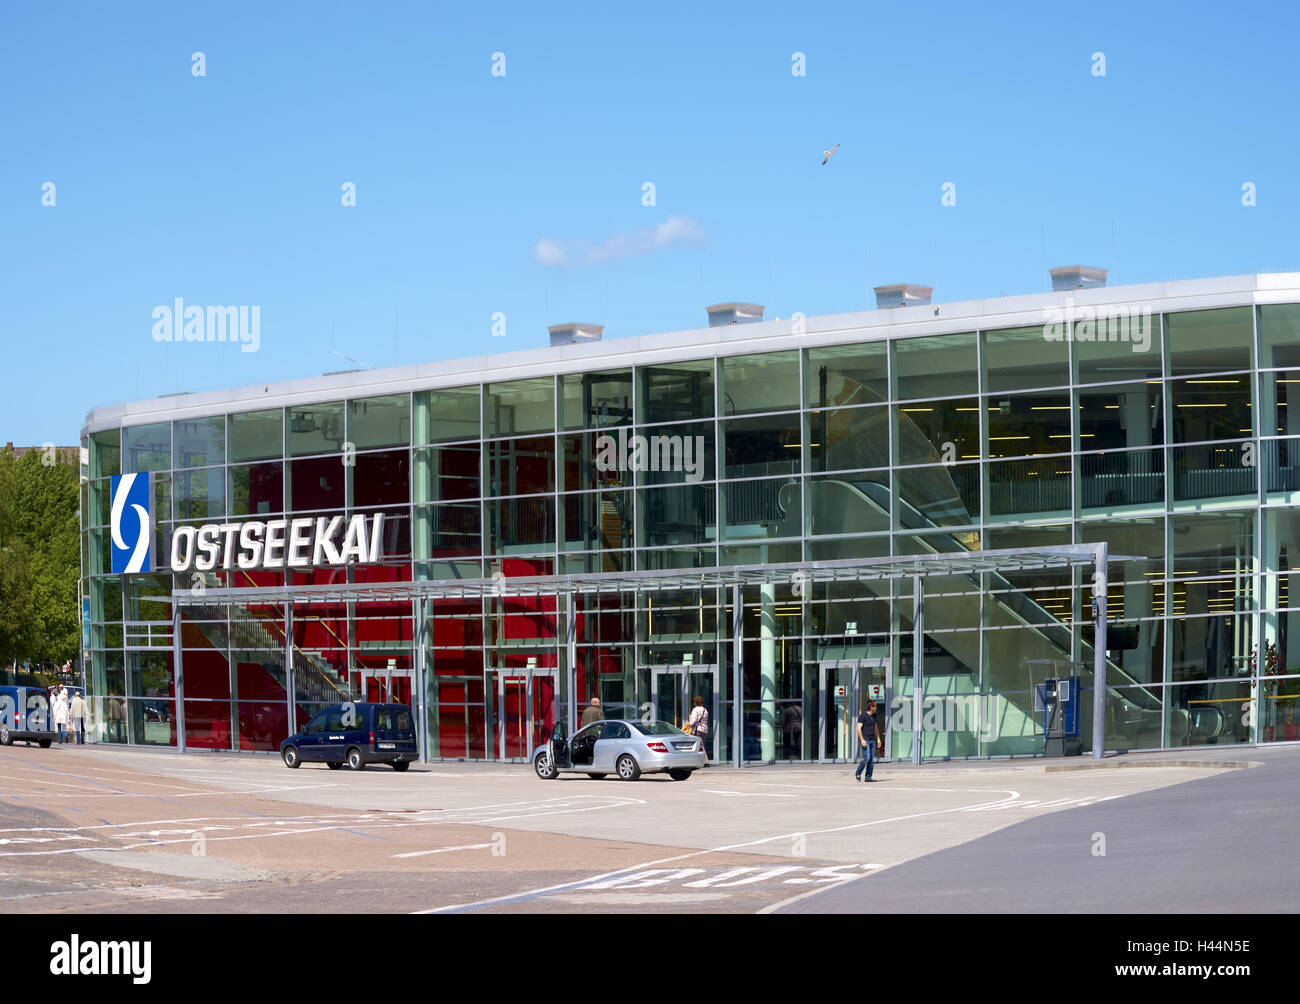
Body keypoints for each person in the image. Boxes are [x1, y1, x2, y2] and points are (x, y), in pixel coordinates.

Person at [854, 699, 883, 782]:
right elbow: (859, 728)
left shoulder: (874, 716)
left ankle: (868, 777)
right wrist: (862, 739)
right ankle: (858, 773)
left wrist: (878, 740)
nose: (876, 707)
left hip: (872, 740)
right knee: (867, 757)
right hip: (865, 740)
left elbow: (876, 728)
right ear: (871, 707)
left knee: (872, 759)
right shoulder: (862, 716)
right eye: (875, 706)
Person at [687, 695, 710, 763]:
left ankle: (705, 761)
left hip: (697, 730)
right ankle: (701, 760)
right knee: (700, 744)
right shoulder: (705, 710)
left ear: (696, 702)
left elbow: (693, 721)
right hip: (704, 730)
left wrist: (689, 725)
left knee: (697, 745)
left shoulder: (695, 709)